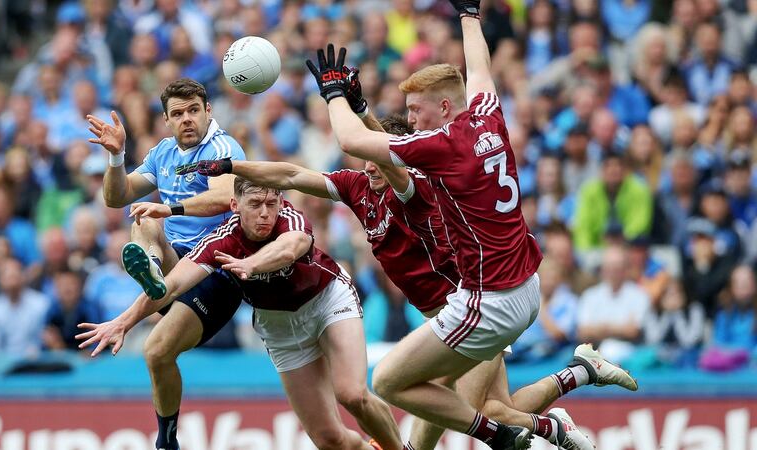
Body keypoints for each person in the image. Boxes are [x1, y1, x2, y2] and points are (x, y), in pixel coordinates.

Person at [180, 111, 636, 449]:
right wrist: (232, 168)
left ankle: (559, 414)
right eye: (366, 158)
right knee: (493, 407)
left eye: (379, 158)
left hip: (469, 308)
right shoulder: (358, 186)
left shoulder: (411, 187)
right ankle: (581, 374)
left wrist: (357, 111)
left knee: (463, 410)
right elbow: (293, 174)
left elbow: (394, 161)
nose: (371, 165)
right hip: (441, 317)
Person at [303, 1, 633, 447]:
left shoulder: (442, 145)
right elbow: (478, 68)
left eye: (416, 110)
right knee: (481, 401)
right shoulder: (489, 113)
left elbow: (353, 141)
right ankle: (574, 381)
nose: (412, 120)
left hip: (488, 300)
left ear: (443, 107)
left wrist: (333, 95)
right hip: (525, 286)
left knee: (390, 384)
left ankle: (505, 436)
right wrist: (469, 15)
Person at [79, 178, 400, 450]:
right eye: (256, 204)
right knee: (330, 439)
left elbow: (291, 247)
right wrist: (123, 321)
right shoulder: (222, 241)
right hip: (281, 329)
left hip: (327, 302)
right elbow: (172, 285)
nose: (265, 213)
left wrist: (252, 264)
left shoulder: (291, 219)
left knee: (352, 394)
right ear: (235, 205)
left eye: (271, 203)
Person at [80, 78, 246, 450]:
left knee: (156, 350)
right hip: (176, 263)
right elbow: (116, 197)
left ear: (208, 111)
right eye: (177, 114)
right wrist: (115, 157)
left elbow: (224, 198)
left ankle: (164, 441)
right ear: (167, 121)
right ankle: (153, 270)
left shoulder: (223, 147)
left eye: (193, 110)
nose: (186, 119)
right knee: (142, 220)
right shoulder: (162, 153)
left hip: (216, 273)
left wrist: (169, 207)